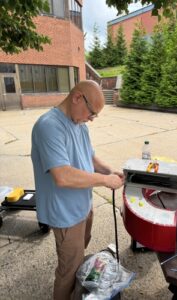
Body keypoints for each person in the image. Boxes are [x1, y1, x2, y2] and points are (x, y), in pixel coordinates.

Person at [31, 80, 124, 300]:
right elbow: (62, 175)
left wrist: (110, 170)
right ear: (77, 98)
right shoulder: (49, 126)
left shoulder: (79, 124)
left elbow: (90, 157)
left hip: (82, 207)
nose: (90, 119)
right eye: (91, 113)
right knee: (68, 271)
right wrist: (104, 180)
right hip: (65, 214)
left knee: (77, 256)